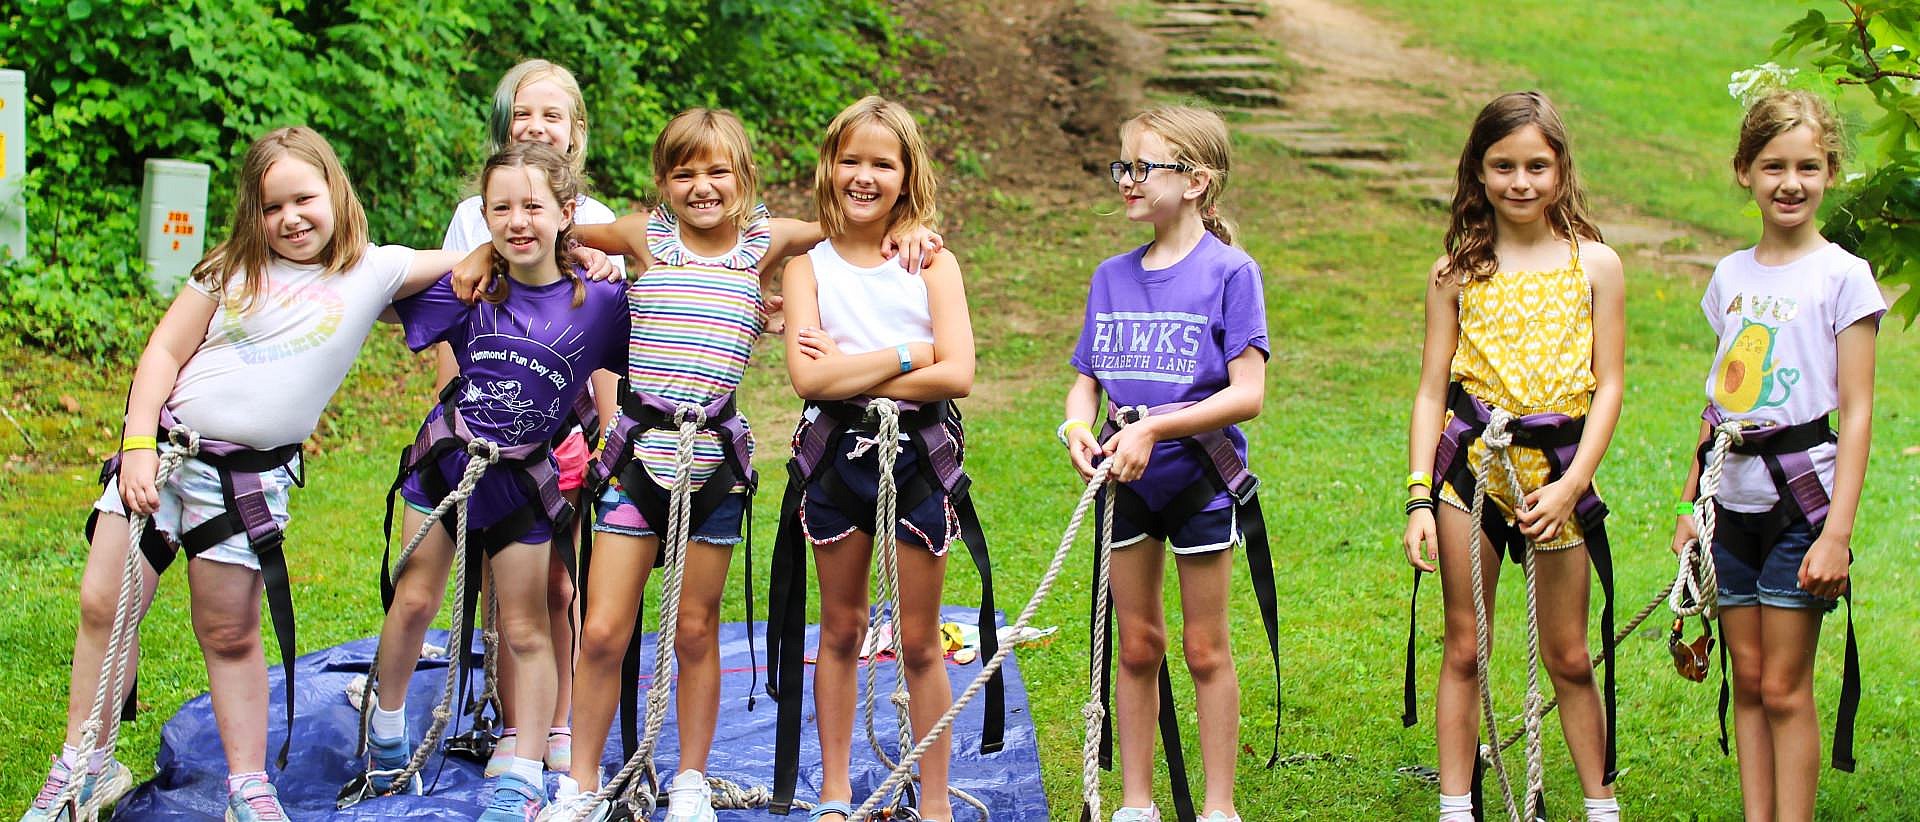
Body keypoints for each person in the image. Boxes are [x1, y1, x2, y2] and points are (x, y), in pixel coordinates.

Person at [20, 126, 478, 822]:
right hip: (164, 459)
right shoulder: (229, 268)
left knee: (230, 632)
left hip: (242, 486)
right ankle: (85, 766)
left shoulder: (374, 270)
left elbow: (486, 257)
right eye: (272, 207)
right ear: (251, 214)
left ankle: (248, 787)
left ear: (336, 192)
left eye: (305, 199)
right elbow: (162, 354)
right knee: (104, 607)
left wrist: (586, 253)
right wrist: (138, 445)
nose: (291, 218)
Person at [546, 107, 938, 822]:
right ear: (661, 182)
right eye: (683, 173)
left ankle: (691, 780)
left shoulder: (768, 239)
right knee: (604, 629)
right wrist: (570, 254)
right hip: (639, 454)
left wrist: (909, 229)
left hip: (715, 464)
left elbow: (859, 226)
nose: (702, 186)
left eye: (717, 171)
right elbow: (550, 232)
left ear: (745, 179)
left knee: (696, 628)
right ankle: (577, 784)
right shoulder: (644, 235)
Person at [362, 142, 628, 822]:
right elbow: (378, 295)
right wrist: (463, 264)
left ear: (567, 212)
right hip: (447, 469)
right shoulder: (471, 286)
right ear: (482, 217)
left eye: (533, 206)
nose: (516, 221)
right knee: (414, 599)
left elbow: (668, 319)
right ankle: (386, 737)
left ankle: (523, 770)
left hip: (522, 488)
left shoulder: (600, 303)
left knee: (525, 626)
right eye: (499, 208)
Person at [1401, 91, 1625, 822]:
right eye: (1503, 166)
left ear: (1561, 170)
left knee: (1569, 656)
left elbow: (1611, 382)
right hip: (1472, 477)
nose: (1520, 181)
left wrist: (1574, 487)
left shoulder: (1596, 264)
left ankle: (1600, 806)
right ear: (1478, 171)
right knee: (1466, 646)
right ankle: (1455, 806)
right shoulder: (1455, 272)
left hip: (1559, 476)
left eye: (1537, 165)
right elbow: (1433, 389)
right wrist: (1418, 497)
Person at [1669, 88, 1879, 822]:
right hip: (1730, 508)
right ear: (1744, 173)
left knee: (1787, 688)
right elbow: (1718, 404)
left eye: (1809, 167)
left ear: (1830, 173)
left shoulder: (1843, 278)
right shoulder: (1730, 277)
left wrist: (1837, 535)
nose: (1791, 182)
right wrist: (1690, 507)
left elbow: (1855, 415)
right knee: (1750, 679)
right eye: (1773, 166)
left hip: (1802, 510)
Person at [1059, 105, 1267, 822]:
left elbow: (1249, 394)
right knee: (1137, 644)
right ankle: (1136, 805)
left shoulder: (1231, 273)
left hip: (1199, 484)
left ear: (1197, 181)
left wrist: (1160, 429)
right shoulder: (1110, 276)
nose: (1127, 180)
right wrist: (1075, 425)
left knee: (1205, 647)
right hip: (1125, 487)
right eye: (1123, 166)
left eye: (1142, 168)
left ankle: (1217, 808)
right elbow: (1086, 377)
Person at [773, 95, 974, 822]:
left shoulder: (929, 262)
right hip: (837, 462)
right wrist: (906, 352)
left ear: (906, 173)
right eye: (850, 160)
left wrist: (853, 366)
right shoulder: (807, 270)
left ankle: (938, 802)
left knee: (920, 640)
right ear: (829, 167)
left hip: (917, 458)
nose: (864, 176)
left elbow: (956, 374)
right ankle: (833, 793)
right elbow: (808, 381)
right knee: (841, 628)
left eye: (881, 163)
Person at [436, 60, 624, 778]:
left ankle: (561, 723)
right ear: (503, 125)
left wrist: (609, 436)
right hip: (490, 421)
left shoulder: (602, 223)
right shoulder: (471, 216)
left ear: (577, 132)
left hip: (569, 418)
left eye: (553, 116)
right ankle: (517, 724)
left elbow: (608, 345)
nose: (538, 126)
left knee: (562, 581)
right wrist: (455, 427)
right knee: (505, 580)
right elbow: (458, 318)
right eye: (524, 114)